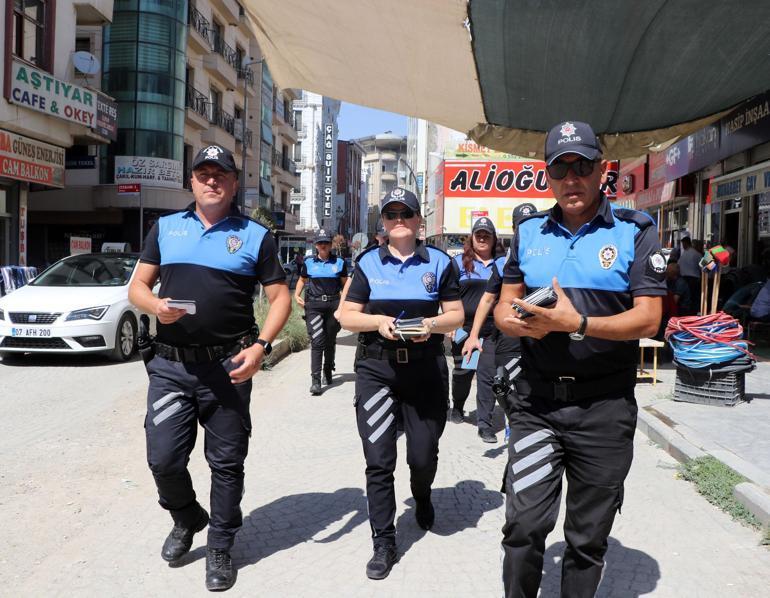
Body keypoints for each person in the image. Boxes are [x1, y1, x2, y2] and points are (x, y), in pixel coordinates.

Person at [493, 121, 665, 598]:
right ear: (547, 175)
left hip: (604, 409)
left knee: (587, 539)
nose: (572, 177)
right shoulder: (527, 231)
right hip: (536, 406)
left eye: (582, 165)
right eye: (560, 168)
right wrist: (521, 321)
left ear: (602, 171)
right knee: (524, 526)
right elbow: (504, 309)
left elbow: (649, 319)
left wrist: (578, 324)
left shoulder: (636, 230)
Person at [128, 144, 292, 591]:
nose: (212, 181)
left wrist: (261, 347)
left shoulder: (256, 236)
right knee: (162, 458)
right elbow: (137, 287)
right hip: (170, 366)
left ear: (235, 183)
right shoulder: (164, 228)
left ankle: (220, 545)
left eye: (221, 174)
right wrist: (157, 306)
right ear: (192, 181)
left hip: (230, 365)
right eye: (203, 173)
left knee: (227, 463)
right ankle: (187, 517)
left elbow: (281, 298)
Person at [339, 187, 464, 580]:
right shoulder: (368, 264)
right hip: (378, 372)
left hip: (425, 371)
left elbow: (457, 314)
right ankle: (384, 540)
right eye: (390, 214)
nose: (398, 221)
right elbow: (345, 315)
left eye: (405, 214)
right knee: (378, 460)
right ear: (384, 222)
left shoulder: (441, 262)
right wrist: (378, 323)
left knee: (422, 457)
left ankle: (422, 495)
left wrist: (430, 325)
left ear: (417, 221)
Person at [459, 203, 536, 435]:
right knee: (492, 378)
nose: (526, 229)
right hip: (503, 334)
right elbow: (486, 299)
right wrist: (472, 336)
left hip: (540, 335)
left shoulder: (552, 258)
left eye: (532, 224)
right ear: (514, 229)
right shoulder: (504, 264)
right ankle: (489, 425)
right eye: (521, 225)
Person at [448, 217, 504, 443]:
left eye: (486, 235)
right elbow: (448, 295)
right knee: (463, 372)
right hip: (463, 328)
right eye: (478, 234)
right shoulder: (459, 263)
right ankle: (458, 406)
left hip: (492, 330)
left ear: (493, 239)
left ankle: (485, 424)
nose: (482, 238)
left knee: (487, 375)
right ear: (472, 238)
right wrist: (450, 324)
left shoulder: (502, 264)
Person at [294, 229, 348, 394]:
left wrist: (343, 304)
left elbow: (346, 284)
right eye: (320, 243)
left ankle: (328, 369)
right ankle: (315, 381)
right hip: (314, 307)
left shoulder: (339, 262)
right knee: (317, 341)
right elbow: (302, 280)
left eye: (326, 242)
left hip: (334, 306)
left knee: (330, 339)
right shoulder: (309, 262)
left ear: (331, 244)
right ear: (315, 245)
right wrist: (296, 295)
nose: (323, 245)